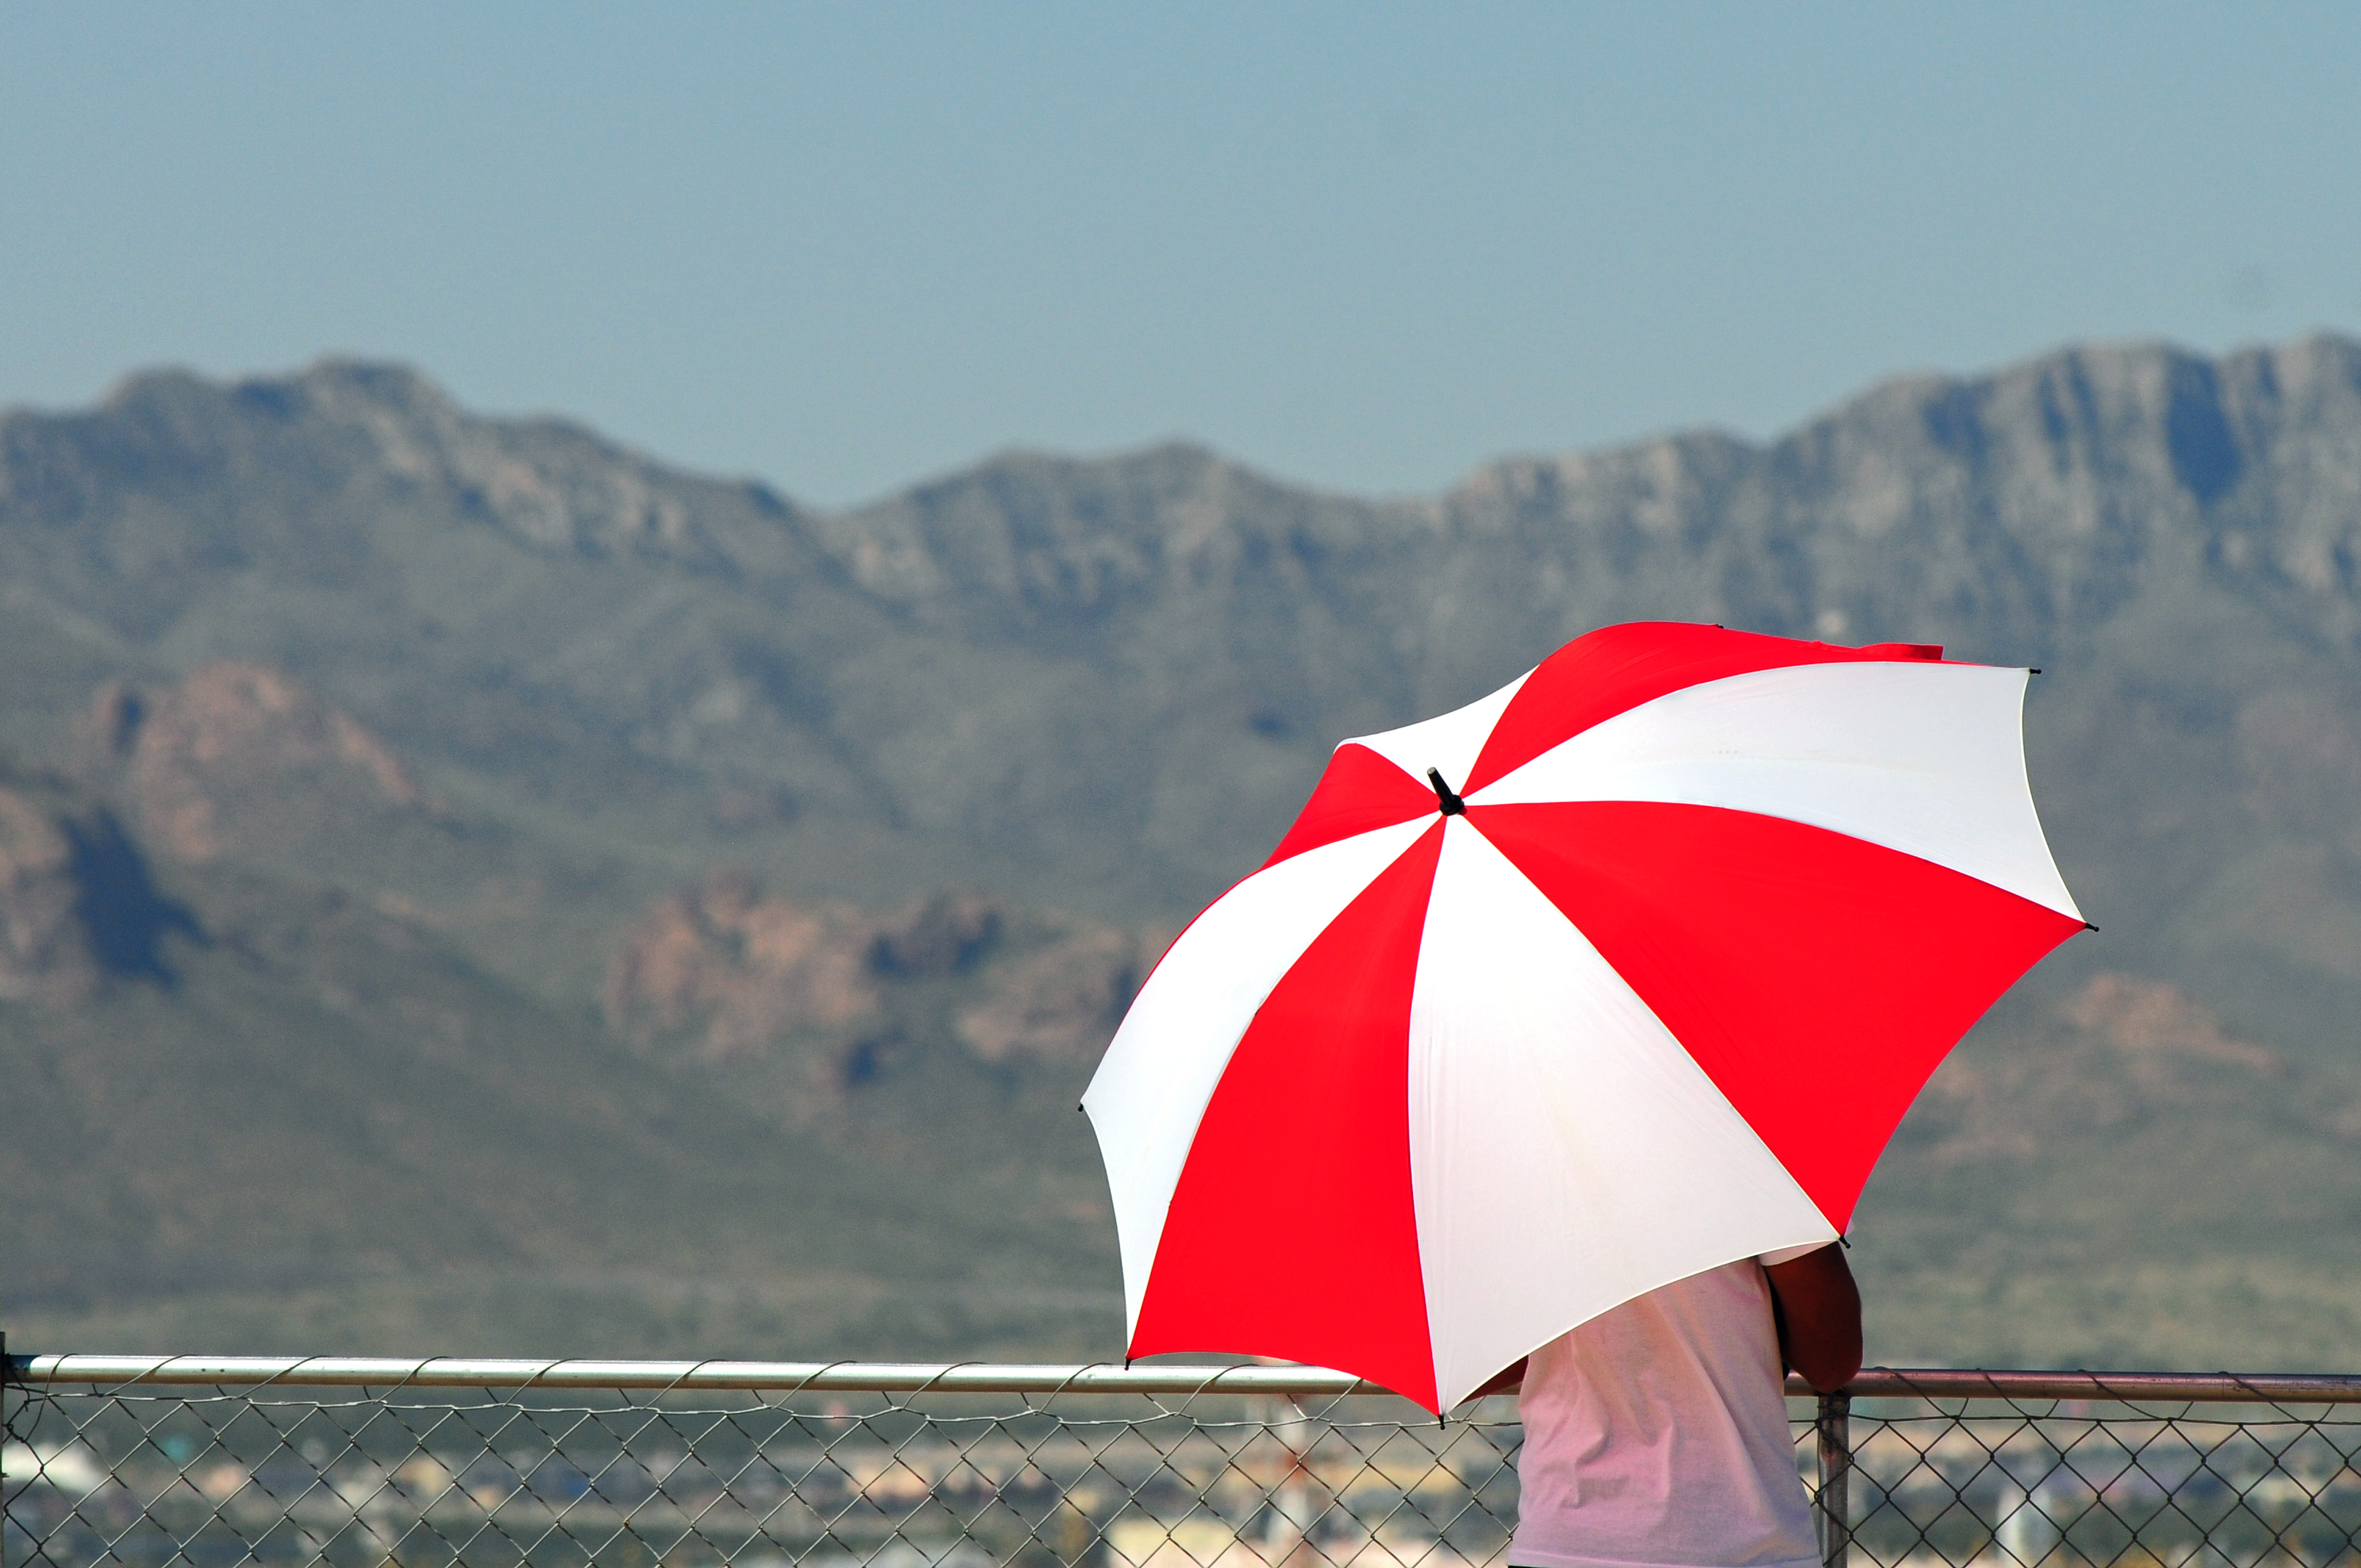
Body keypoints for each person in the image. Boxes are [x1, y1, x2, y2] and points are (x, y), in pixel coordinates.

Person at [1481, 1242, 1863, 1568]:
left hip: (1563, 1538)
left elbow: (1469, 1359)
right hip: (1735, 1535)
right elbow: (1832, 1361)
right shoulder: (1757, 1165)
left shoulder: (1514, 1180)